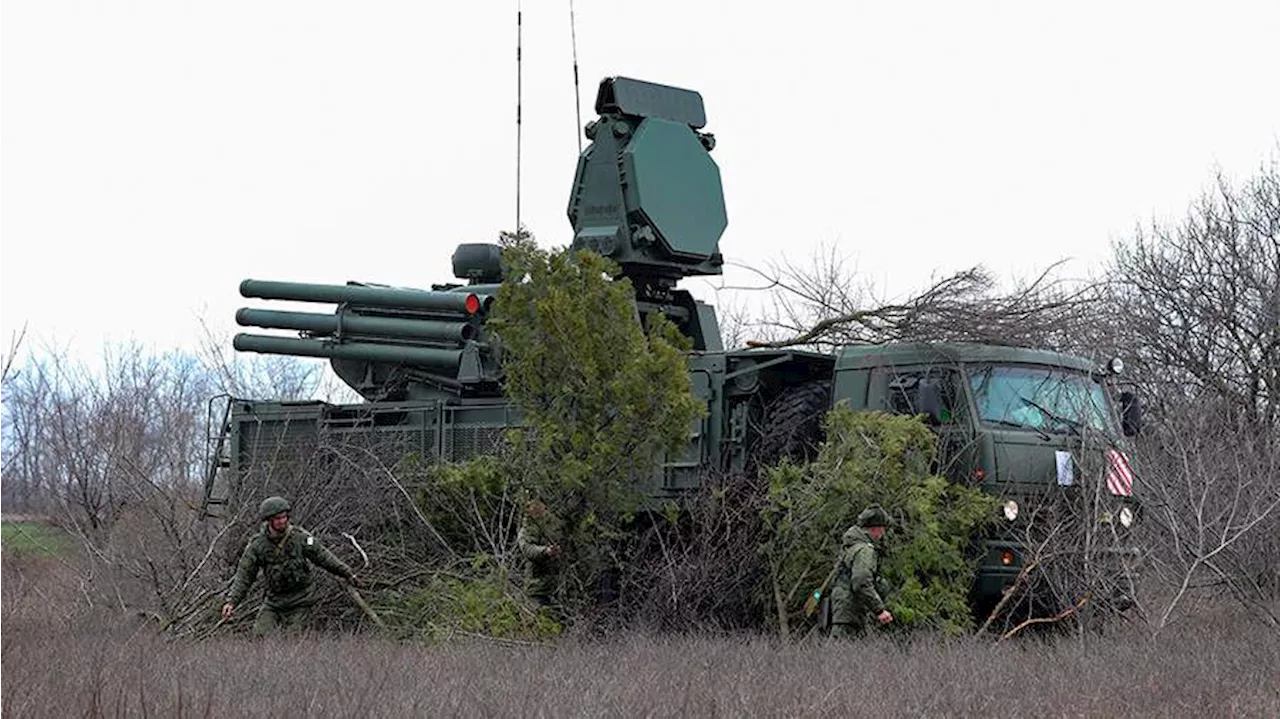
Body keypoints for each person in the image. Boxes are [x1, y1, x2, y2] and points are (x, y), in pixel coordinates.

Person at [220, 496, 364, 637]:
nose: (282, 521)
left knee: (293, 639)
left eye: (285, 517)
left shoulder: (301, 538)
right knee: (260, 636)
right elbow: (244, 575)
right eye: (278, 518)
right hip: (274, 601)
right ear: (269, 521)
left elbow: (324, 558)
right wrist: (232, 602)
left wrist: (348, 573)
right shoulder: (258, 545)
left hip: (301, 600)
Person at [828, 504, 894, 638]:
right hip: (850, 610)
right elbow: (861, 581)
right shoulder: (864, 550)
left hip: (846, 609)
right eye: (882, 529)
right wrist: (879, 610)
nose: (883, 533)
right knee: (839, 652)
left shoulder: (852, 546)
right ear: (876, 528)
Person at [515, 499, 560, 607]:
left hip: (555, 585)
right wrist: (545, 551)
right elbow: (528, 550)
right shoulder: (526, 531)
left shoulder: (549, 527)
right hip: (537, 588)